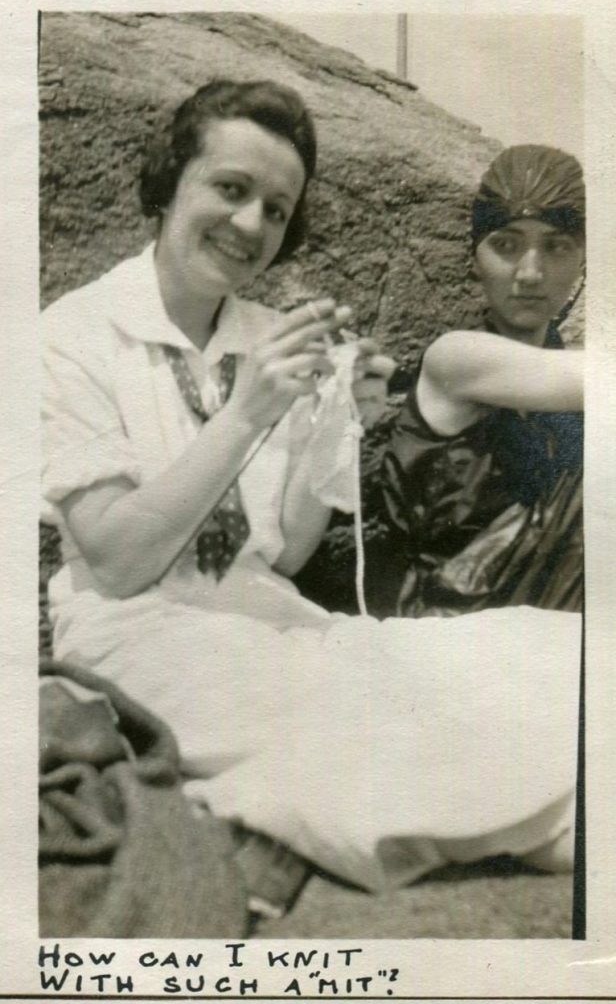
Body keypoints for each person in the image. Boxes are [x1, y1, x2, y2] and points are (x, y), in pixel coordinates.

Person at [42, 83, 581, 893]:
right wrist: (249, 412)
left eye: (276, 207)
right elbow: (118, 564)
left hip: (271, 619)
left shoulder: (265, 334)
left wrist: (338, 425)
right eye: (231, 189)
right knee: (409, 737)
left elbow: (285, 552)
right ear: (168, 182)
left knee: (553, 653)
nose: (252, 224)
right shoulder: (69, 338)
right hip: (137, 636)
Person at [372, 144, 584, 618]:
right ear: (474, 258)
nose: (531, 273)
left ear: (582, 261)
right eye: (506, 245)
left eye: (557, 246)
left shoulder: (576, 389)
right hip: (440, 640)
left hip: (552, 640)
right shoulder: (456, 359)